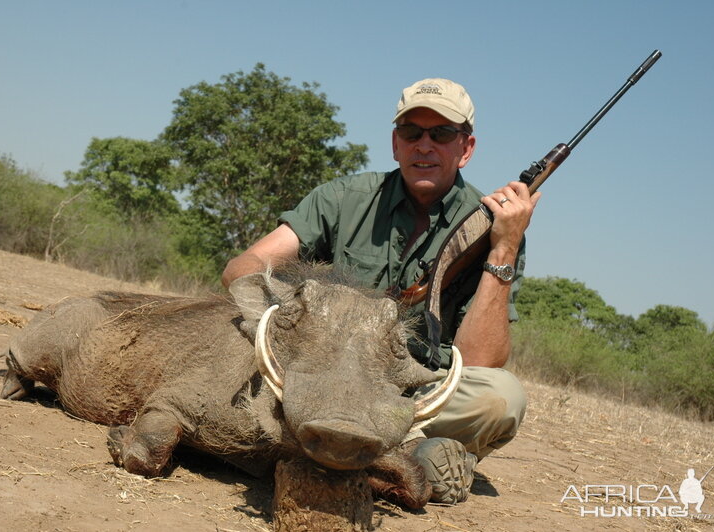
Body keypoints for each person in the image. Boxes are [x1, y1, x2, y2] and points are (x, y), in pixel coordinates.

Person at [221, 78, 539, 504]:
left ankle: (329, 445)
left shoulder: (497, 226)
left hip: (408, 388)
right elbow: (243, 268)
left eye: (441, 133)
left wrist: (504, 246)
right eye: (412, 132)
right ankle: (403, 458)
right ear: (395, 143)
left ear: (466, 148)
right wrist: (294, 314)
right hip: (323, 373)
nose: (424, 145)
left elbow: (480, 361)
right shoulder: (343, 198)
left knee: (501, 397)